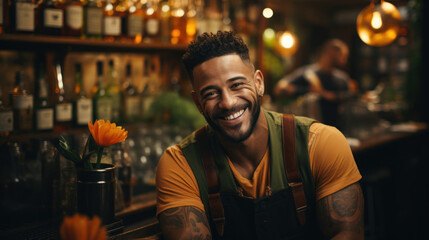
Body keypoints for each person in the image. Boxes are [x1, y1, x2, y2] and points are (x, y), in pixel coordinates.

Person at [156, 31, 363, 240]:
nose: (227, 103)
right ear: (198, 103)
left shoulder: (321, 143)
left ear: (259, 83)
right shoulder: (180, 163)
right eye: (211, 93)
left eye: (236, 85)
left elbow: (347, 234)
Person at [274, 38, 356, 127]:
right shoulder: (308, 73)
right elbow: (279, 89)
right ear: (331, 53)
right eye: (343, 55)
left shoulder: (342, 79)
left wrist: (323, 93)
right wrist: (307, 91)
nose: (345, 60)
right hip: (312, 130)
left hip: (338, 130)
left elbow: (350, 100)